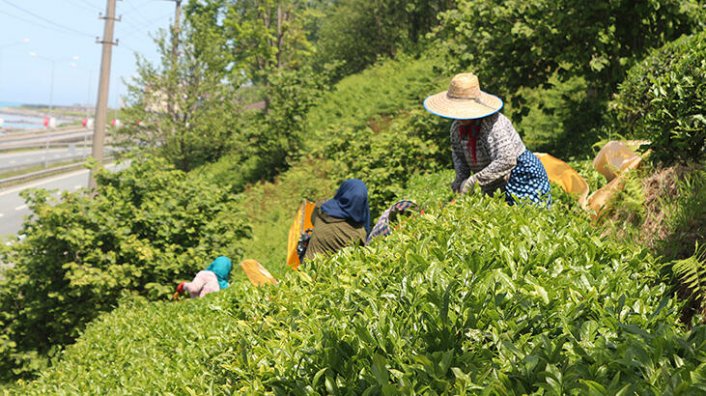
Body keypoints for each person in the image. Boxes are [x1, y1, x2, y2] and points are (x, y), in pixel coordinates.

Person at [423, 73, 551, 205]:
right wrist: (459, 184)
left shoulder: (492, 124)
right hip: (492, 179)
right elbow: (460, 159)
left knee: (525, 218)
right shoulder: (456, 128)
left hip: (521, 175)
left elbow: (507, 160)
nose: (460, 115)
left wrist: (473, 181)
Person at [304, 179, 370, 260]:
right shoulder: (359, 233)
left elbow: (313, 221)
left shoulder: (320, 210)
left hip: (308, 267)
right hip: (333, 271)